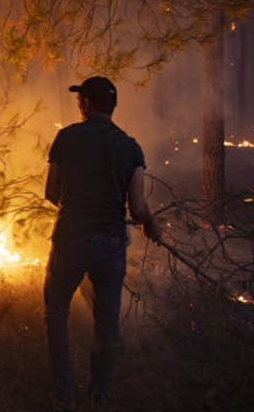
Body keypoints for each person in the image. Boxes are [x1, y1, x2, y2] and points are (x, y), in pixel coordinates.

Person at [44, 76, 162, 410]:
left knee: (56, 312)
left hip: (70, 238)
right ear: (112, 106)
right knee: (107, 321)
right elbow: (138, 208)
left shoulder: (66, 137)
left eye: (79, 99)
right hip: (110, 242)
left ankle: (63, 391)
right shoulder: (129, 146)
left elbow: (52, 193)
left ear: (85, 104)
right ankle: (100, 392)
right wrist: (150, 223)